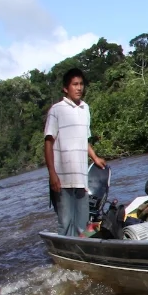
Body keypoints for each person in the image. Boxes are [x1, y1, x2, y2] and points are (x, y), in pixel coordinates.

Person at [43, 68, 106, 236]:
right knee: (65, 222)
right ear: (66, 88)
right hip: (61, 178)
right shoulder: (56, 111)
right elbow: (48, 143)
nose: (79, 88)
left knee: (83, 224)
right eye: (75, 84)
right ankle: (63, 257)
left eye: (81, 84)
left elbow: (83, 140)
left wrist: (94, 157)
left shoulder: (85, 109)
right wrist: (52, 174)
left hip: (81, 177)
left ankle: (81, 255)